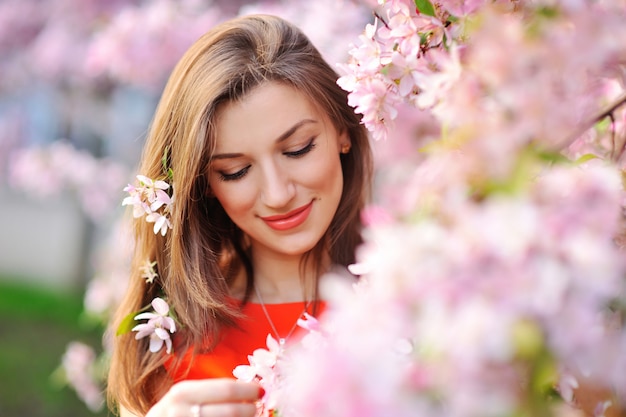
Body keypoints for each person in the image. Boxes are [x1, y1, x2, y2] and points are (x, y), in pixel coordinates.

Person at [107, 13, 373, 417]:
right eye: (235, 172)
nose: (278, 194)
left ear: (343, 130)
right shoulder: (169, 338)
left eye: (298, 148)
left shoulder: (409, 298)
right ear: (204, 185)